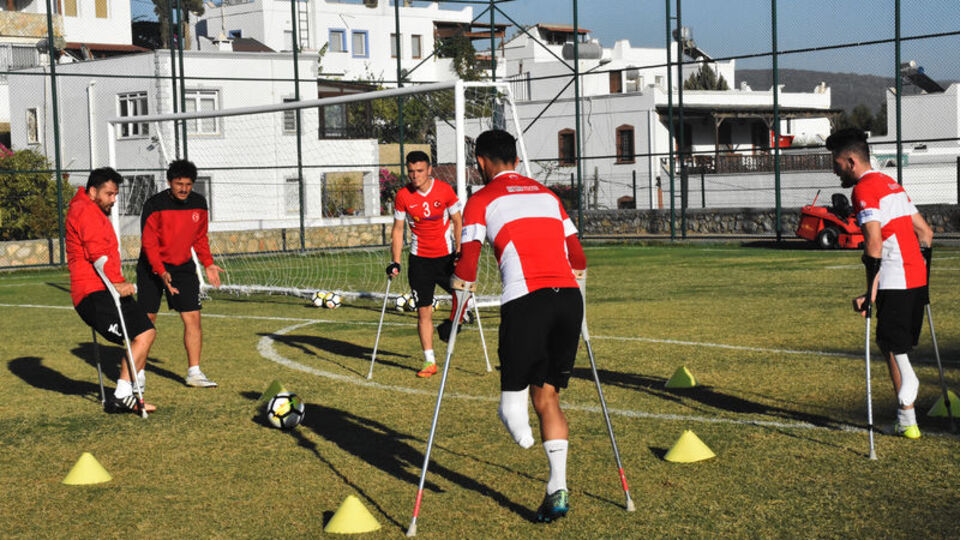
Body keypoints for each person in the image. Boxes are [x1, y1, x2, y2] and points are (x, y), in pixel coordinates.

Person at [446, 129, 587, 522]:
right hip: (568, 300)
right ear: (516, 159)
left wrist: (455, 310)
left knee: (512, 407)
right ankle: (557, 488)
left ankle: (523, 436)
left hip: (527, 301)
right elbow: (578, 258)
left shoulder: (480, 199)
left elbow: (467, 266)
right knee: (547, 398)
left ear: (480, 162)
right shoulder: (548, 195)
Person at [827, 127, 933, 439]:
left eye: (836, 164)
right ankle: (906, 421)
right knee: (891, 344)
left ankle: (908, 398)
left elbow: (873, 244)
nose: (835, 172)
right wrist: (923, 277)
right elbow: (925, 233)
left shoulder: (863, 190)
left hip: (894, 279)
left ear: (850, 161)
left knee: (892, 345)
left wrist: (870, 293)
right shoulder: (892, 184)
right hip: (915, 278)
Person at [66, 167, 158, 414]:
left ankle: (128, 389)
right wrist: (117, 284)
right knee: (140, 335)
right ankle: (122, 394)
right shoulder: (84, 211)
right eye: (109, 194)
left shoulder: (91, 210)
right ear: (93, 191)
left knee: (146, 332)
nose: (114, 200)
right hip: (94, 294)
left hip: (107, 289)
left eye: (116, 194)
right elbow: (98, 256)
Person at [137, 159, 223, 388]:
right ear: (169, 182)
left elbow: (200, 238)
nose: (184, 189)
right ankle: (138, 374)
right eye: (179, 184)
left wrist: (208, 263)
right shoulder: (154, 205)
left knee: (193, 318)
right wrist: (161, 271)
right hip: (151, 268)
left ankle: (194, 373)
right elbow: (149, 244)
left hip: (183, 267)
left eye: (188, 184)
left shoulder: (199, 203)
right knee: (147, 321)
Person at [386, 150, 463, 378]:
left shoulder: (445, 190)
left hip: (446, 258)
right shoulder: (403, 196)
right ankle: (430, 361)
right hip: (420, 261)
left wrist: (460, 250)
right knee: (424, 311)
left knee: (463, 296)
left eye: (420, 171)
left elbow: (458, 220)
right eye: (411, 171)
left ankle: (451, 324)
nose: (415, 175)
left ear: (429, 170)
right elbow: (398, 229)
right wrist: (396, 261)